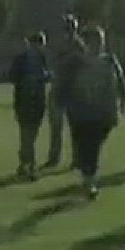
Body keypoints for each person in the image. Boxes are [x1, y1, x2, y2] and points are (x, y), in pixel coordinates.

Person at [62, 25, 125, 199]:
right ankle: (89, 182)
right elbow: (63, 85)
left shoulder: (110, 60)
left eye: (101, 40)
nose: (99, 44)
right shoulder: (75, 62)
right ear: (86, 42)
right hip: (81, 112)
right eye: (95, 41)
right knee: (89, 148)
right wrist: (61, 104)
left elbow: (121, 82)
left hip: (104, 113)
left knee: (92, 147)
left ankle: (88, 175)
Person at [7, 31, 51, 180]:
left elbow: (46, 77)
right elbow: (13, 76)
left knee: (30, 136)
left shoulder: (42, 59)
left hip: (38, 102)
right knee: (26, 136)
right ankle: (30, 167)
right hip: (24, 101)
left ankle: (24, 163)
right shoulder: (21, 60)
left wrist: (45, 77)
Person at [44, 16, 81, 168]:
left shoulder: (79, 45)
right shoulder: (59, 45)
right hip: (59, 87)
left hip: (73, 89)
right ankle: (54, 157)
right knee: (56, 127)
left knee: (75, 127)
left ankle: (77, 158)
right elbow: (53, 63)